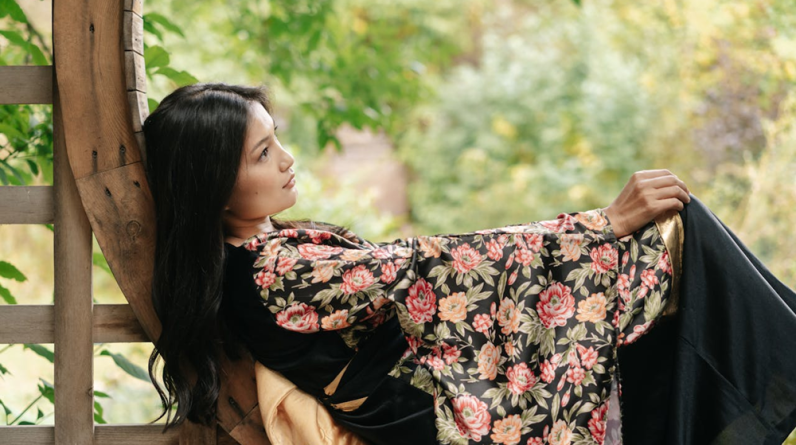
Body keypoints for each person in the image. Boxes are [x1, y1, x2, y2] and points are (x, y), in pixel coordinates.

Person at [141, 82, 694, 444]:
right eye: (262, 154)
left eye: (276, 138)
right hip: (439, 417)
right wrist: (601, 224)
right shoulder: (272, 274)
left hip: (446, 383)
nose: (287, 160)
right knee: (670, 245)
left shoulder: (265, 250)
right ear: (213, 190)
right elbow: (431, 266)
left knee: (665, 245)